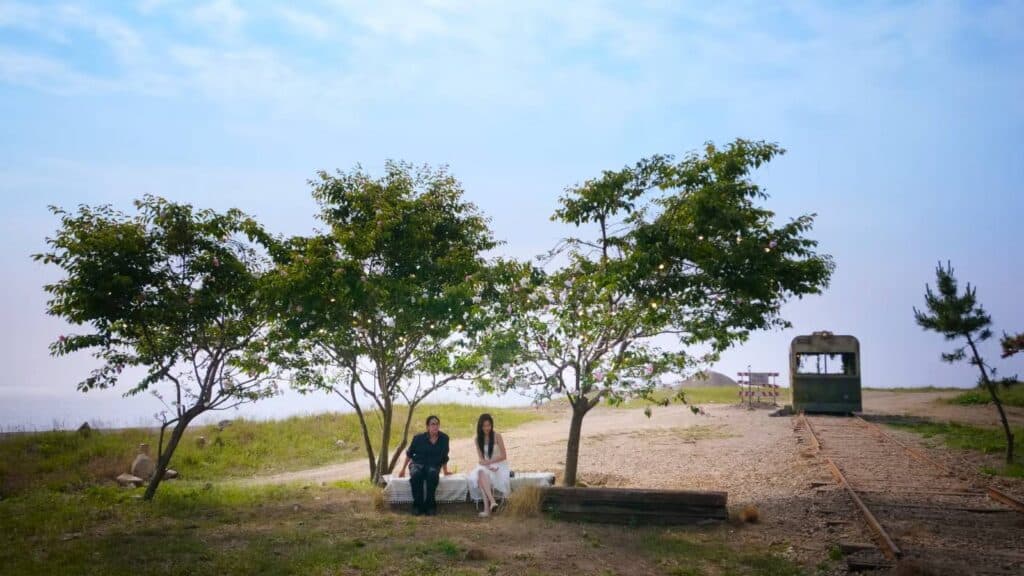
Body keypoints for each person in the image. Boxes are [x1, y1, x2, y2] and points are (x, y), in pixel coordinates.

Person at [398, 414, 450, 516]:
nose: (435, 426)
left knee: (432, 474)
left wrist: (445, 471)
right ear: (427, 427)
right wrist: (403, 469)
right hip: (417, 463)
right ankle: (417, 506)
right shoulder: (418, 438)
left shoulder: (444, 438)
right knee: (416, 475)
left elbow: (444, 456)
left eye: (437, 424)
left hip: (433, 465)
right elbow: (409, 454)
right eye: (432, 424)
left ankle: (430, 506)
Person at [467, 413, 510, 517]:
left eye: (489, 425)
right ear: (480, 427)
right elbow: (481, 459)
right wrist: (487, 465)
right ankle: (492, 502)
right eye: (484, 426)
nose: (487, 428)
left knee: (481, 478)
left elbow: (504, 456)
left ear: (492, 425)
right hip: (486, 465)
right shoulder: (477, 439)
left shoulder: (497, 436)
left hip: (499, 464)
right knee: (480, 473)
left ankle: (487, 509)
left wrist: (490, 463)